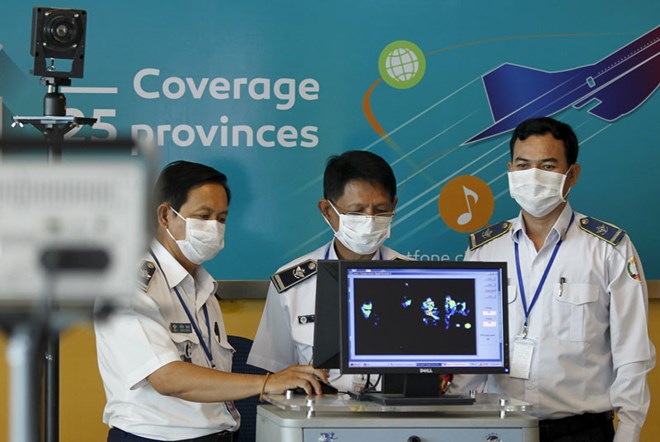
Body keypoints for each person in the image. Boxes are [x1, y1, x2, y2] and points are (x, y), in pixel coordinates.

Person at [451, 117, 655, 442]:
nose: (533, 177)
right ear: (510, 170)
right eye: (523, 165)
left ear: (571, 174)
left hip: (580, 432)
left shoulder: (609, 249)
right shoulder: (484, 250)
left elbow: (632, 354)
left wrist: (628, 434)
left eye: (547, 166)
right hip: (497, 431)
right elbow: (471, 359)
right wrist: (451, 421)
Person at [94, 160, 328, 442]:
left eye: (221, 218)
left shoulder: (202, 285)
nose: (214, 228)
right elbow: (166, 378)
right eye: (203, 216)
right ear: (165, 215)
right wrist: (266, 383)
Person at [247, 150, 408, 392]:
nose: (370, 220)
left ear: (394, 206)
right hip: (318, 418)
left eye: (381, 210)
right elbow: (275, 376)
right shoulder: (292, 285)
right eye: (356, 211)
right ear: (327, 211)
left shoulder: (416, 277)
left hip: (399, 418)